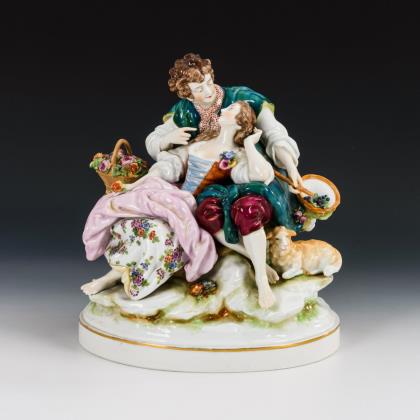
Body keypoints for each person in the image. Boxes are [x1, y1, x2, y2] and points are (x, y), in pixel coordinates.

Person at [127, 101, 307, 308]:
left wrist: (249, 145)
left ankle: (261, 278)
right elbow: (170, 166)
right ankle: (255, 259)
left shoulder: (236, 154)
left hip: (199, 199)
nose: (223, 109)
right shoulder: (200, 142)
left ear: (239, 123)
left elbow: (259, 175)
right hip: (180, 196)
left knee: (234, 211)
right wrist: (138, 183)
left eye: (231, 110)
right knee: (186, 213)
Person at [145, 53, 303, 192]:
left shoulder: (242, 98)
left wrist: (291, 168)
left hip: (244, 171)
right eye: (199, 89)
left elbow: (274, 133)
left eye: (208, 83)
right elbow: (155, 138)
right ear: (188, 95)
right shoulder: (184, 111)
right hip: (199, 177)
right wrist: (167, 139)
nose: (208, 91)